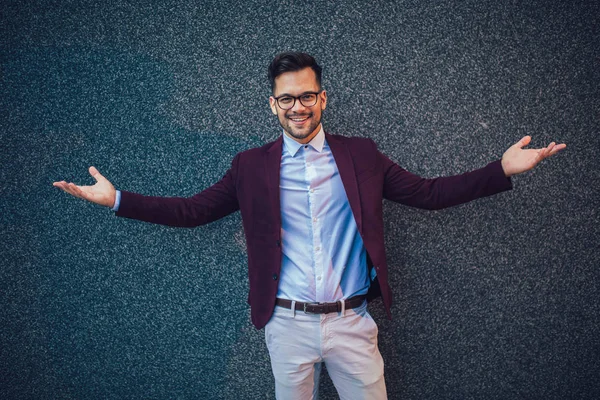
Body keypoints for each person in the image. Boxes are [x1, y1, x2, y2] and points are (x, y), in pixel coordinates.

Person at [53, 51, 566, 400]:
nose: (297, 106)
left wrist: (499, 170)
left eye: (306, 96)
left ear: (322, 98)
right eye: (286, 99)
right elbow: (194, 212)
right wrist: (117, 199)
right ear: (272, 105)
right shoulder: (250, 166)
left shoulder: (361, 155)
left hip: (351, 323)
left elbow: (428, 194)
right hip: (287, 324)